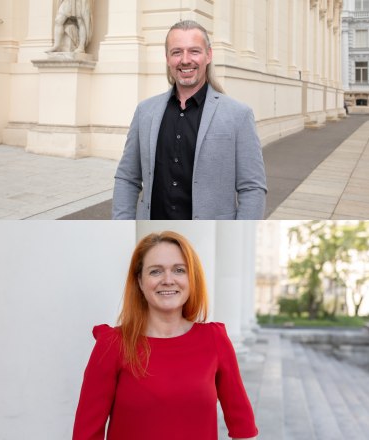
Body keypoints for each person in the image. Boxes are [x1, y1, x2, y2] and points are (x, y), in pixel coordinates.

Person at [73, 231, 258, 440]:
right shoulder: (113, 344)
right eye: (155, 272)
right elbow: (85, 434)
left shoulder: (214, 339)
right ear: (140, 282)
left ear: (191, 279)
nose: (168, 280)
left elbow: (244, 427)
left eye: (179, 270)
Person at [112, 20, 267, 220]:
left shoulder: (238, 115)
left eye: (194, 51)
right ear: (167, 58)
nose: (185, 60)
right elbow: (127, 178)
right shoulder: (145, 112)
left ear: (208, 55)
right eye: (177, 52)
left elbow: (252, 188)